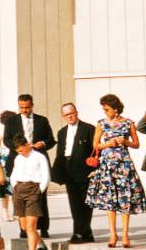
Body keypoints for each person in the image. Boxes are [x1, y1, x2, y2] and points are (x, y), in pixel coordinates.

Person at [85, 94, 146, 248]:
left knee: (125, 199)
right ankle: (113, 234)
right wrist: (108, 144)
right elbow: (95, 145)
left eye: (107, 109)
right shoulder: (101, 124)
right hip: (107, 166)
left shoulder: (128, 123)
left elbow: (137, 144)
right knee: (109, 200)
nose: (105, 112)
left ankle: (125, 234)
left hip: (124, 165)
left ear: (115, 109)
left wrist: (125, 142)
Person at [3, 94, 55, 238]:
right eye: (22, 108)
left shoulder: (42, 120)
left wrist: (42, 143)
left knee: (41, 197)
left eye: (27, 107)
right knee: (19, 199)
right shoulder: (11, 121)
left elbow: (51, 140)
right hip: (19, 159)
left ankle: (43, 228)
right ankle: (23, 229)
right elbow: (6, 140)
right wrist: (20, 148)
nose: (25, 110)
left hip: (37, 159)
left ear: (32, 105)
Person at [51, 102, 96, 244]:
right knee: (74, 203)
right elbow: (60, 153)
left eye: (72, 113)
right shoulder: (62, 132)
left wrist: (95, 170)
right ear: (63, 116)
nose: (70, 116)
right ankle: (84, 233)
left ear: (76, 112)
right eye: (67, 115)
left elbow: (95, 152)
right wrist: (56, 172)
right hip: (68, 170)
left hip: (84, 170)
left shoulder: (89, 129)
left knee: (86, 203)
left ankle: (80, 233)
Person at [9, 135, 50, 250]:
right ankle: (41, 244)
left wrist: (39, 190)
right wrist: (15, 187)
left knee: (31, 226)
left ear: (27, 145)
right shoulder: (18, 158)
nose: (20, 153)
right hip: (19, 191)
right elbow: (13, 174)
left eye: (21, 150)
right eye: (18, 151)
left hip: (34, 190)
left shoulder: (39, 157)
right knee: (24, 227)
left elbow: (46, 175)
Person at [0, 110, 16, 222]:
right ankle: (5, 212)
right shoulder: (0, 133)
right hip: (3, 163)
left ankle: (16, 212)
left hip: (15, 161)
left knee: (15, 188)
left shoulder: (15, 132)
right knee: (5, 190)